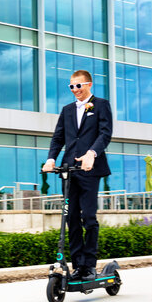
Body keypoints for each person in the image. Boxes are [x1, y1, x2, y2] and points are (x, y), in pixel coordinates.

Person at [42, 70, 112, 281]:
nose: (75, 90)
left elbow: (105, 133)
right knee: (70, 217)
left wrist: (92, 153)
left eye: (78, 86)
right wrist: (51, 159)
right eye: (71, 87)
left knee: (88, 217)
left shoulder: (101, 105)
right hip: (69, 170)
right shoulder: (67, 110)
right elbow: (58, 137)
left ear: (89, 84)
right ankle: (78, 265)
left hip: (90, 168)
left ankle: (89, 265)